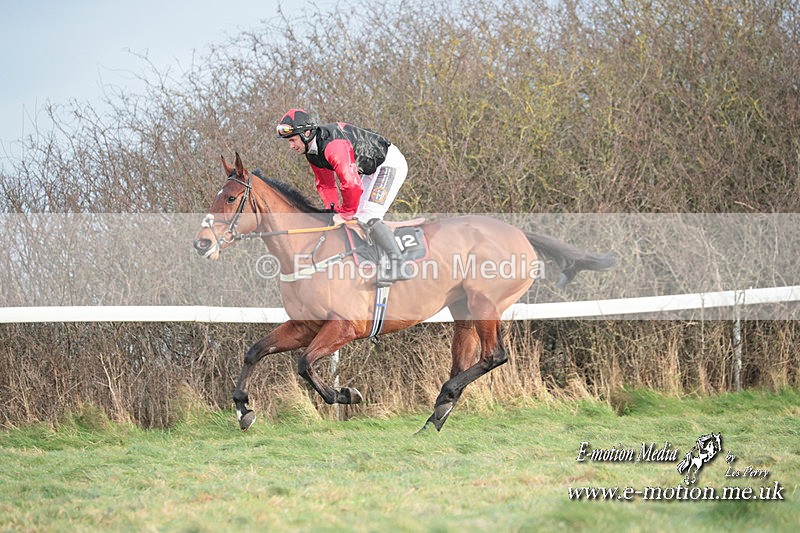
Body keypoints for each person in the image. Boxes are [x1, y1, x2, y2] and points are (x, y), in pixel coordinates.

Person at [276, 108, 411, 282]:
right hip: (370, 170)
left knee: (368, 215)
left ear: (306, 133)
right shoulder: (312, 152)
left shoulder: (333, 146)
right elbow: (325, 185)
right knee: (356, 217)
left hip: (388, 163)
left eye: (293, 140)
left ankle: (400, 265)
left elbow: (351, 184)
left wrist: (345, 213)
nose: (291, 146)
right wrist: (333, 211)